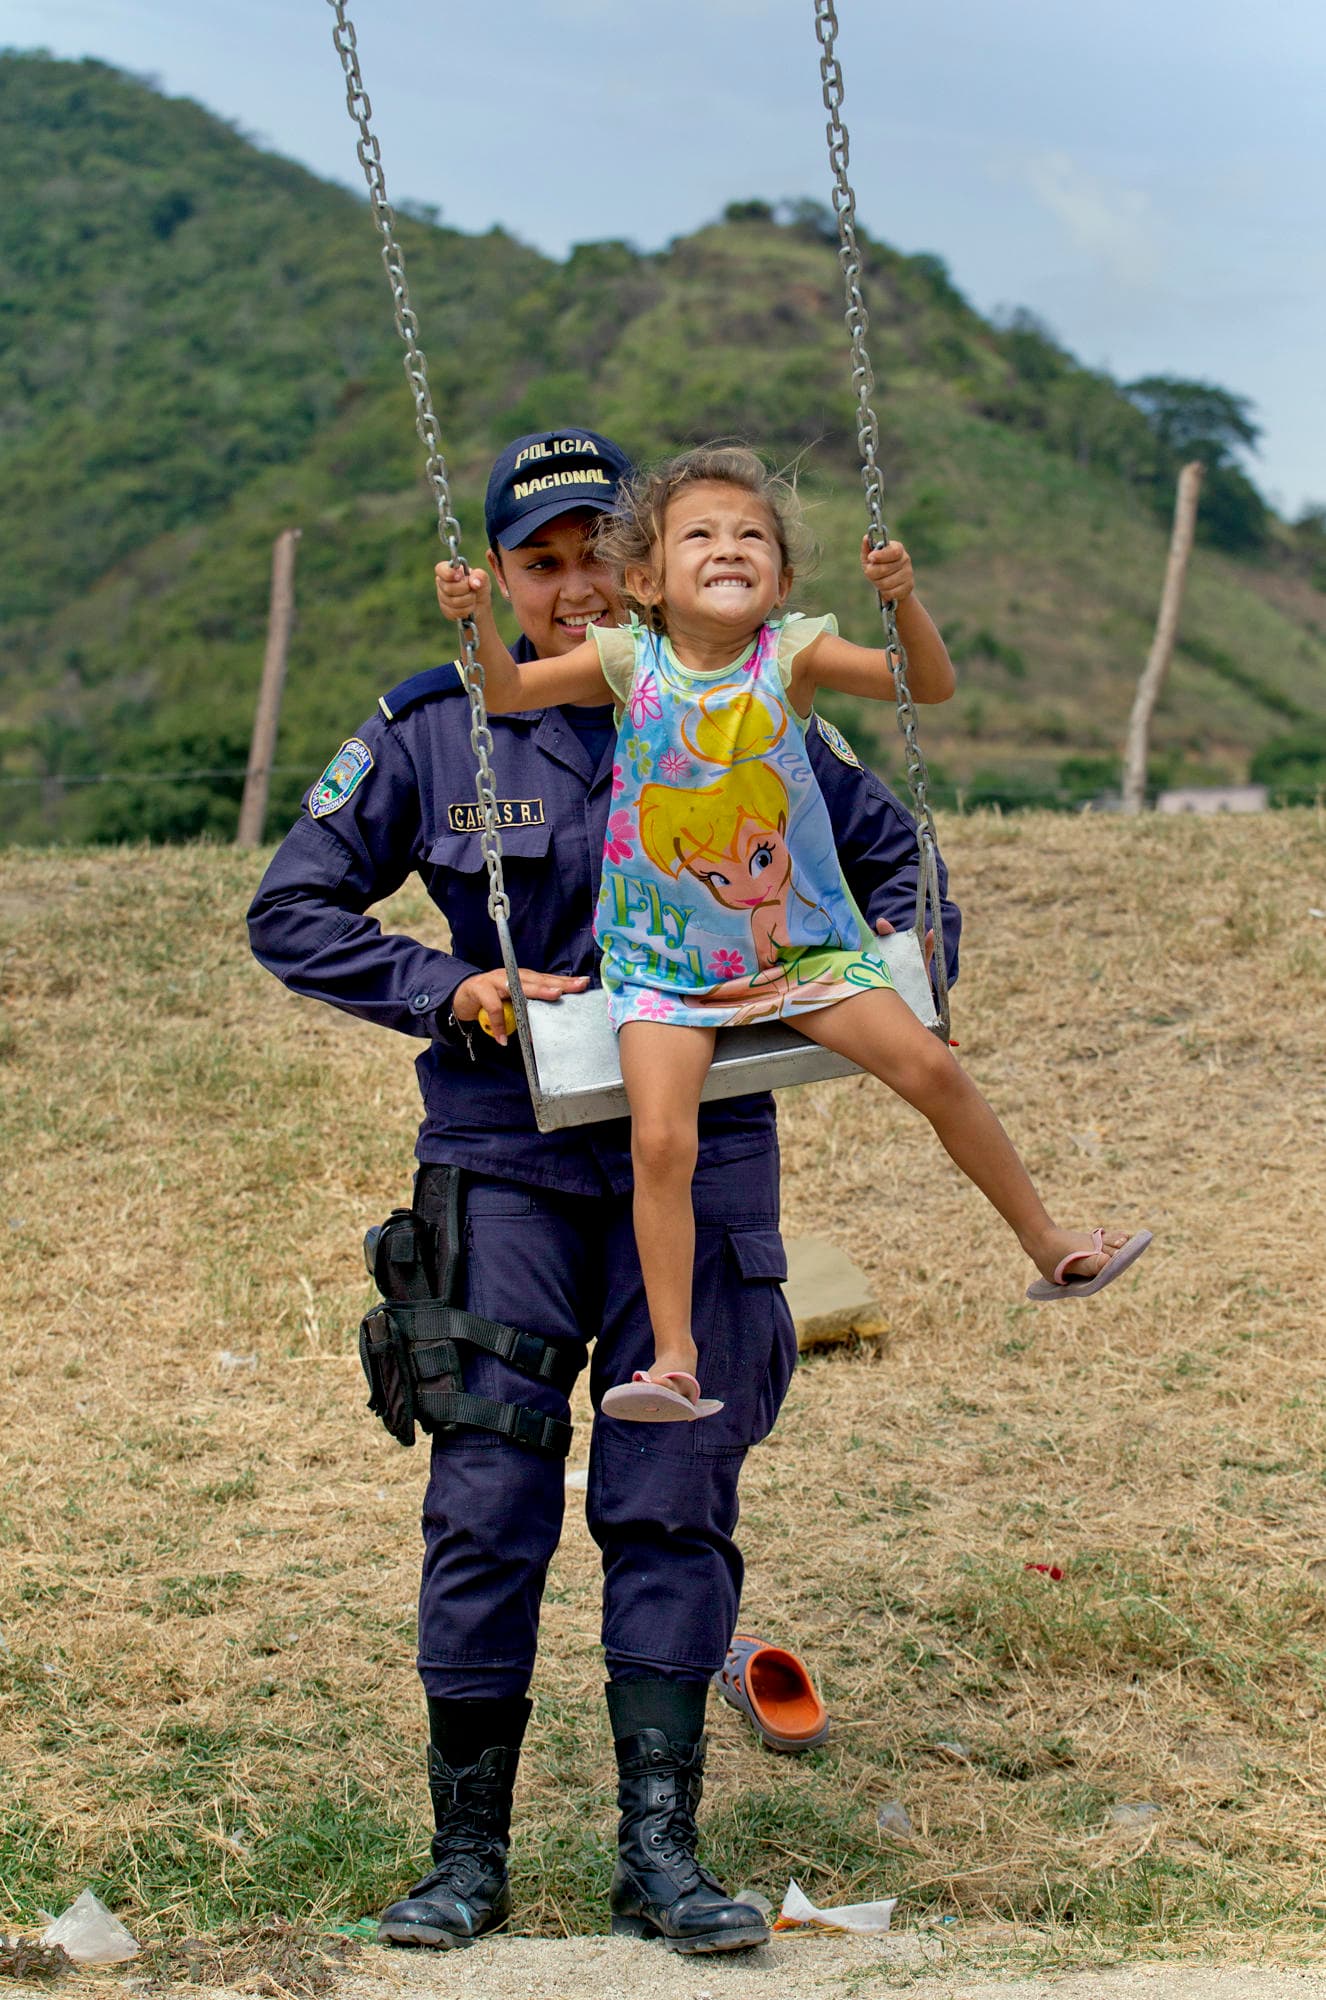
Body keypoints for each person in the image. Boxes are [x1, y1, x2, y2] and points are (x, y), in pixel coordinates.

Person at [248, 428, 963, 1957]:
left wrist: (880, 975)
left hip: (695, 1159)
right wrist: (452, 984)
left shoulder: (740, 694)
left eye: (595, 557)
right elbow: (292, 907)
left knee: (672, 1494)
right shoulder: (438, 728)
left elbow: (906, 862)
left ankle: (661, 1853)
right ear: (500, 577)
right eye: (540, 561)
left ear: (641, 568)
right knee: (489, 1498)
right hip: (498, 1166)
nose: (572, 590)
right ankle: (466, 1858)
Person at [434, 445, 1151, 1424]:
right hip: (664, 967)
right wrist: (474, 614)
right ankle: (675, 1355)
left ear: (778, 573)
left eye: (752, 535)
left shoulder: (796, 653)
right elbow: (507, 695)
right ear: (645, 579)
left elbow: (922, 684)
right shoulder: (622, 660)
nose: (730, 546)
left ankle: (1051, 1242)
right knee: (661, 1139)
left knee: (933, 1067)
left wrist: (902, 601)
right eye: (701, 533)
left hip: (801, 948)